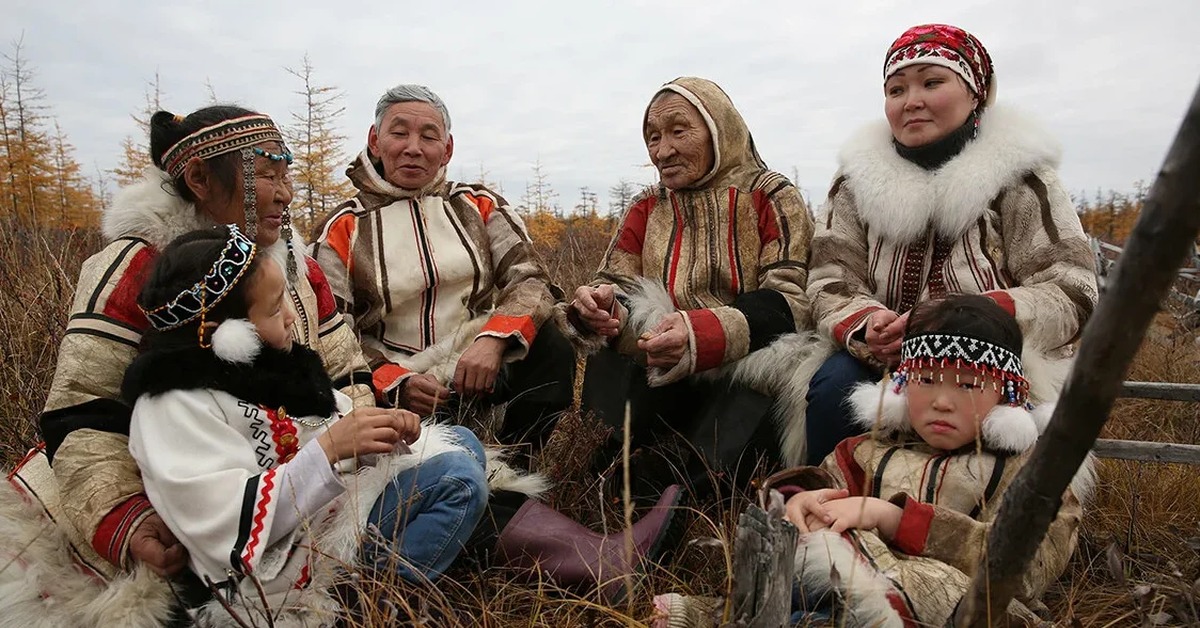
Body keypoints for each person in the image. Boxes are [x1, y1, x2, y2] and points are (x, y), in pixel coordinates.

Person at [124, 225, 487, 624]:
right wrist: (330, 449)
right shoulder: (174, 407)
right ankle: (366, 606)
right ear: (218, 334)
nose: (291, 315)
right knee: (458, 480)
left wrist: (383, 431)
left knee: (464, 442)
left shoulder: (270, 367)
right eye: (274, 307)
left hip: (329, 519)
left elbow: (328, 429)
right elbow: (221, 520)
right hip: (280, 568)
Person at [805, 24, 1098, 465]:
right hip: (884, 358)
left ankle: (979, 526)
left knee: (990, 439)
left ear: (975, 93)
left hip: (992, 356)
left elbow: (1073, 287)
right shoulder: (854, 183)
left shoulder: (1020, 177)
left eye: (932, 82)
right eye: (896, 89)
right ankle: (832, 506)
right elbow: (831, 276)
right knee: (833, 391)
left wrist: (978, 318)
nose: (912, 101)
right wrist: (868, 325)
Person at [562, 77, 815, 499]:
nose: (663, 151)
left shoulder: (769, 196)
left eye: (679, 131)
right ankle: (609, 476)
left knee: (706, 465)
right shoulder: (648, 206)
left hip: (746, 362)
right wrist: (599, 307)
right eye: (653, 137)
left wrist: (702, 334)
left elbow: (792, 298)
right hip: (662, 360)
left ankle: (686, 488)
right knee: (610, 360)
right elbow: (617, 282)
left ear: (721, 130)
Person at [780, 294, 1089, 625]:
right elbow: (825, 487)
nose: (942, 401)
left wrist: (897, 519)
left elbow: (1027, 570)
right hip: (846, 590)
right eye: (925, 380)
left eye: (968, 384)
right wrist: (803, 500)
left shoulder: (1031, 477)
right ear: (903, 383)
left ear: (1004, 392)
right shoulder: (866, 451)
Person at [311, 84, 574, 459]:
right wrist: (394, 381)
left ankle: (519, 462)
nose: (413, 147)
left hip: (477, 366)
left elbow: (530, 279)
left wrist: (493, 340)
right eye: (399, 132)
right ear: (375, 141)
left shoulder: (477, 205)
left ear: (447, 148)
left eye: (429, 136)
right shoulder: (342, 226)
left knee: (552, 345)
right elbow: (330, 331)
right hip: (394, 386)